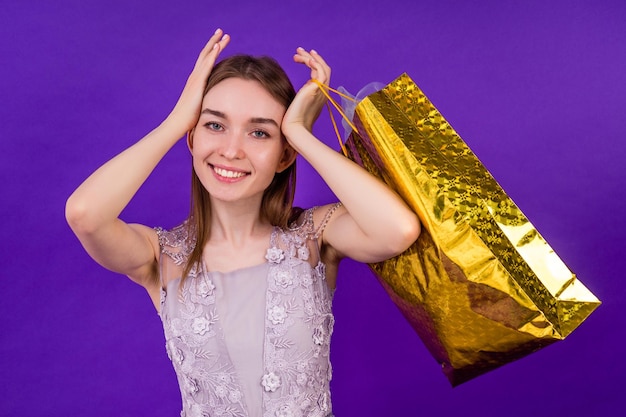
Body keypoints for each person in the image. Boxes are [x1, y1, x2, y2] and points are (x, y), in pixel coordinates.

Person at [66, 28, 420, 417]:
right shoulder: (160, 256)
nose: (231, 150)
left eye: (259, 132)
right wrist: (176, 120)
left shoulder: (314, 237)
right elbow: (85, 214)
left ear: (284, 156)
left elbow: (398, 230)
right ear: (193, 137)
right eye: (214, 125)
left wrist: (301, 135)